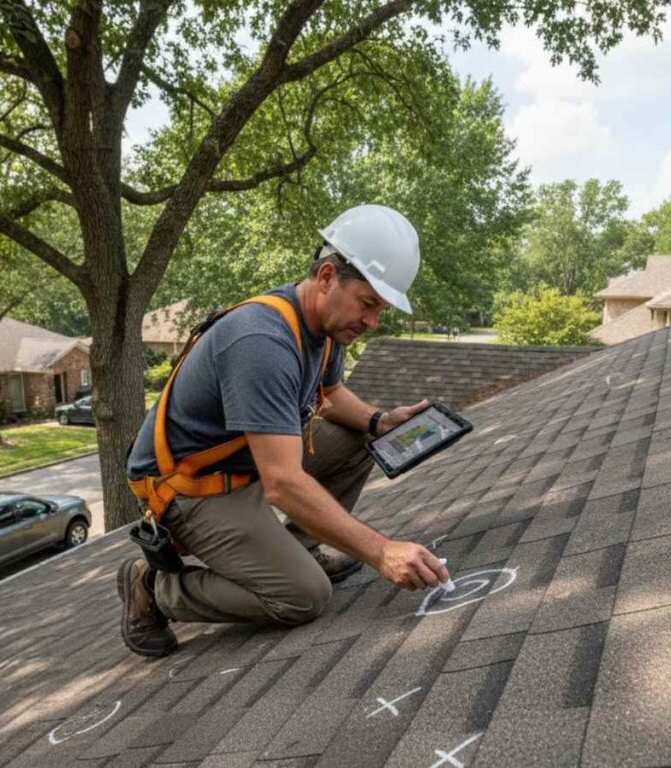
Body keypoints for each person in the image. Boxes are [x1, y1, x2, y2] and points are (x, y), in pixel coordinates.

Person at [120, 204, 451, 657]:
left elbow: (330, 395)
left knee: (359, 439)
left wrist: (379, 421)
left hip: (247, 464)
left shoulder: (326, 328)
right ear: (328, 276)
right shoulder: (263, 342)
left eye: (381, 309)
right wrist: (381, 551)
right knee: (303, 596)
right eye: (369, 303)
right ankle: (154, 588)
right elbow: (282, 484)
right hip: (191, 489)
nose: (373, 322)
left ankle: (294, 551)